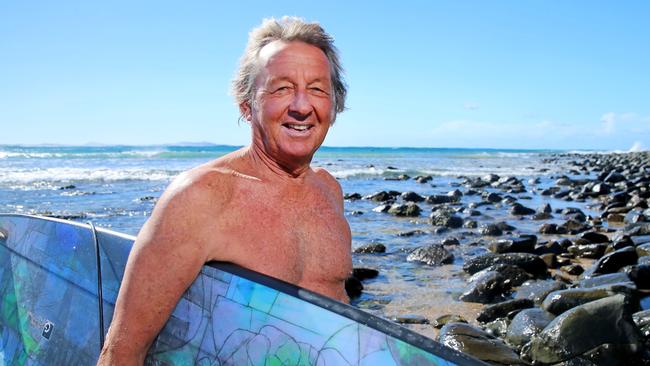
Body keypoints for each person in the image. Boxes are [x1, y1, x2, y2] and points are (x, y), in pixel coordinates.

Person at [97, 16, 351, 365]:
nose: (302, 106)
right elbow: (123, 350)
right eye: (281, 88)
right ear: (247, 105)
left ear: (334, 105)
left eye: (318, 89)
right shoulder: (202, 197)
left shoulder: (329, 192)